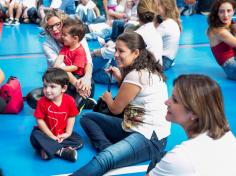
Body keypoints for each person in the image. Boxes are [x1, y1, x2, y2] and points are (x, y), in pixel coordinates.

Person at [70, 31, 170, 176]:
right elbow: (136, 94)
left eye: (121, 51)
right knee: (87, 118)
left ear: (135, 53)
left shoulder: (135, 75)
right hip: (132, 126)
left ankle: (110, 152)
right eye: (115, 49)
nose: (115, 54)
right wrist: (120, 79)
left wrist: (107, 98)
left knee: (104, 160)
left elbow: (116, 109)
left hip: (149, 139)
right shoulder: (146, 69)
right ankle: (108, 147)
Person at [147, 74, 236, 176]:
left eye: (175, 100)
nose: (166, 102)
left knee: (158, 160)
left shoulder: (180, 157)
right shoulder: (227, 136)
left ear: (195, 112)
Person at [30, 68, 83, 162]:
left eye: (52, 87)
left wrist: (68, 133)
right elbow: (40, 121)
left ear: (63, 88)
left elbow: (71, 117)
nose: (47, 90)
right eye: (45, 86)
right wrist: (50, 135)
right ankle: (60, 151)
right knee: (35, 135)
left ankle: (48, 149)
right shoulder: (42, 102)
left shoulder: (70, 100)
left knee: (78, 140)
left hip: (60, 135)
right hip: (45, 134)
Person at [207, 0, 236, 81]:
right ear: (217, 13)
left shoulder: (228, 23)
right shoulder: (220, 31)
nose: (225, 15)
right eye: (221, 12)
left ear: (234, 11)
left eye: (229, 11)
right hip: (231, 67)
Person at [155, 0, 181, 70]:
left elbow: (149, 38)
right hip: (170, 59)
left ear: (166, 7)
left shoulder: (164, 25)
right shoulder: (172, 21)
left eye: (158, 5)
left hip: (164, 61)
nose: (155, 7)